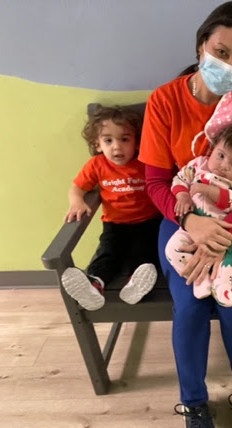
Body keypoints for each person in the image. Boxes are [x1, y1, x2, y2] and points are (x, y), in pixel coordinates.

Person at [138, 1, 232, 428]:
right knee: (190, 304)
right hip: (183, 215)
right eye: (221, 52)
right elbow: (156, 181)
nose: (230, 66)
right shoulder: (164, 101)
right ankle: (194, 406)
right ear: (202, 45)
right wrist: (192, 224)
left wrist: (227, 229)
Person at [61, 105, 161, 311]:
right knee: (108, 253)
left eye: (124, 139)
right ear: (97, 144)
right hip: (114, 224)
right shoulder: (97, 165)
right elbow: (77, 188)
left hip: (148, 223)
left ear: (137, 142)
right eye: (108, 140)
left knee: (143, 252)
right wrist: (77, 202)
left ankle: (136, 284)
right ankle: (94, 285)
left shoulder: (145, 163)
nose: (117, 147)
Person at [166, 123, 232, 307]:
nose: (224, 166)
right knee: (172, 249)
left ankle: (223, 285)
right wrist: (183, 195)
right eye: (221, 155)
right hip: (192, 228)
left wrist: (208, 190)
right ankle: (200, 279)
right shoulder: (198, 165)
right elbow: (179, 179)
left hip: (224, 231)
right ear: (212, 149)